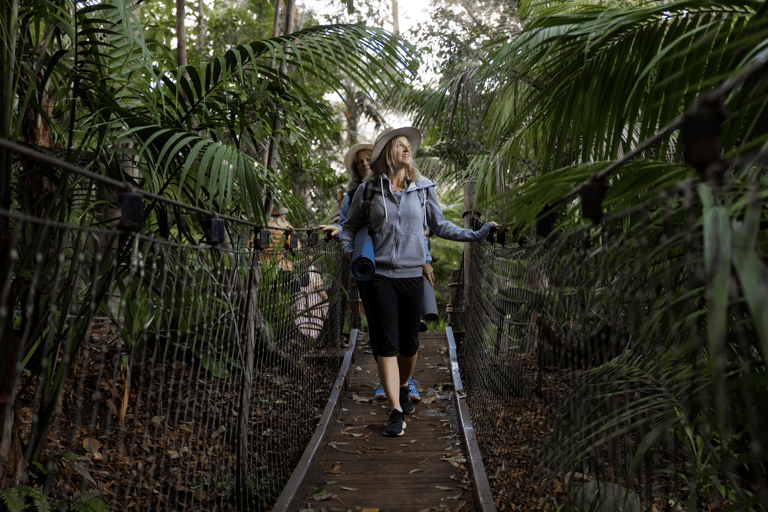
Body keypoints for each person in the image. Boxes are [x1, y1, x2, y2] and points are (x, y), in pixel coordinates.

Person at [340, 127, 497, 436]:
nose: (406, 148)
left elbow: (441, 226)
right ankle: (396, 409)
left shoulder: (424, 189)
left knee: (410, 343)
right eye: (399, 144)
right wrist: (348, 249)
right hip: (377, 276)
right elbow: (350, 225)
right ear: (387, 153)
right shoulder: (369, 190)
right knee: (386, 341)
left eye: (408, 145)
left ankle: (401, 384)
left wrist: (476, 234)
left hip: (412, 274)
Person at [320, 142, 431, 402]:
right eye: (361, 163)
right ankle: (390, 388)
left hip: (406, 266)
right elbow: (349, 225)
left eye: (370, 159)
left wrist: (425, 259)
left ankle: (405, 382)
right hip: (371, 265)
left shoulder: (409, 187)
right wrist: (344, 241)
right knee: (382, 329)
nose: (367, 164)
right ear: (357, 169)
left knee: (407, 337)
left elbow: (418, 227)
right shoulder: (358, 194)